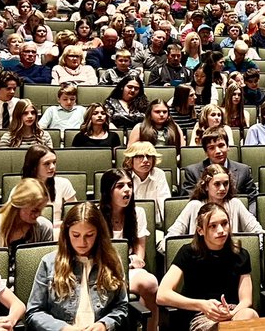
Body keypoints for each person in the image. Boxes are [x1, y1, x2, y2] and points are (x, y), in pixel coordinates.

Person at [25, 203, 130, 329]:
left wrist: (104, 324)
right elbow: (34, 312)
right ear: (66, 234)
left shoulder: (111, 260)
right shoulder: (49, 262)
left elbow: (122, 306)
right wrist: (62, 328)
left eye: (89, 235)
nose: (82, 242)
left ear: (99, 234)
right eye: (75, 235)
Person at [158, 203, 258, 329]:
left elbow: (246, 300)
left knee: (249, 315)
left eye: (224, 223)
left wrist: (230, 313)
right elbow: (162, 294)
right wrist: (202, 305)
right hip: (201, 314)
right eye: (213, 226)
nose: (221, 230)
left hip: (233, 312)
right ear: (200, 231)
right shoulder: (188, 253)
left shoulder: (241, 255)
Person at [99, 169, 160, 330]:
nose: (127, 190)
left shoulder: (138, 213)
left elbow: (140, 256)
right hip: (101, 269)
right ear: (108, 191)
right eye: (120, 186)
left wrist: (133, 260)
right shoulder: (96, 215)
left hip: (129, 267)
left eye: (129, 185)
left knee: (151, 282)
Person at [167, 164, 264, 243]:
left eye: (226, 184)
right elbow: (173, 234)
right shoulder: (194, 205)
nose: (222, 188)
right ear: (206, 186)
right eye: (217, 184)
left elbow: (257, 231)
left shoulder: (235, 204)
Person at [180, 128, 258, 211]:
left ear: (228, 146)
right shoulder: (192, 172)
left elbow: (252, 200)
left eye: (221, 146)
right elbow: (189, 202)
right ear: (206, 152)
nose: (217, 151)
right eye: (211, 148)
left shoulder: (243, 170)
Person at [0, 178, 53, 253]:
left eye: (41, 209)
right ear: (19, 205)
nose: (39, 214)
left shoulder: (45, 228)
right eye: (34, 210)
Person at [20, 145, 78, 225]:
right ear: (34, 166)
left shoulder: (63, 183)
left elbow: (75, 214)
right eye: (47, 163)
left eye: (54, 162)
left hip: (58, 229)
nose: (52, 167)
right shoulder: (21, 189)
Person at [122, 141, 171, 220]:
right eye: (140, 156)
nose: (145, 160)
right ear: (130, 160)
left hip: (154, 222)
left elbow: (164, 203)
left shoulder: (159, 174)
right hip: (129, 221)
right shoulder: (123, 177)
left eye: (149, 156)